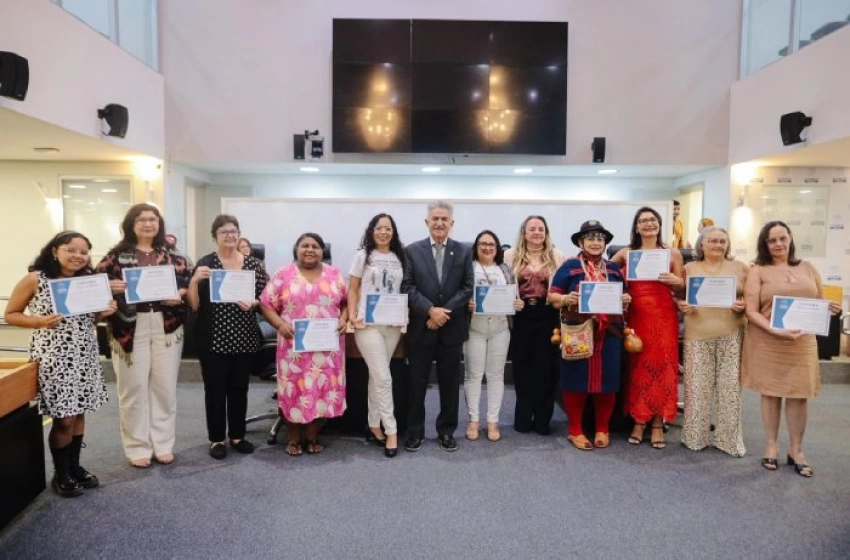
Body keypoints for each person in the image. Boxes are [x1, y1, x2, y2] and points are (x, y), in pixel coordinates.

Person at [4, 232, 116, 497]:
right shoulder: (36, 279)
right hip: (54, 357)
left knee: (79, 413)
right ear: (55, 250)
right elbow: (10, 314)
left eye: (84, 252)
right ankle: (60, 473)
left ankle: (74, 466)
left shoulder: (86, 282)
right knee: (64, 418)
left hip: (84, 354)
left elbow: (88, 318)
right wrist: (39, 322)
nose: (78, 256)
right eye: (71, 250)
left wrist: (104, 311)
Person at [741, 221, 842, 476]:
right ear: (765, 244)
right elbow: (750, 310)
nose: (778, 244)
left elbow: (819, 302)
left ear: (790, 239)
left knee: (799, 394)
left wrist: (831, 307)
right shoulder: (757, 270)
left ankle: (796, 449)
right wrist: (775, 329)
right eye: (772, 240)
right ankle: (772, 446)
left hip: (801, 342)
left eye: (782, 238)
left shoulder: (807, 267)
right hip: (769, 340)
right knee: (771, 393)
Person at [96, 203, 191, 468]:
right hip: (129, 326)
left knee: (164, 388)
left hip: (166, 324)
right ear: (131, 224)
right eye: (142, 220)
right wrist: (108, 286)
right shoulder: (116, 255)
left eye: (153, 219)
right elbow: (93, 285)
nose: (148, 224)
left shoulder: (173, 254)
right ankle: (137, 446)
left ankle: (162, 444)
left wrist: (180, 295)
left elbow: (187, 282)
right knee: (133, 388)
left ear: (159, 224)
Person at [187, 215, 269, 460]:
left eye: (233, 231)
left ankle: (237, 435)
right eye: (224, 232)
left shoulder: (253, 265)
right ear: (215, 236)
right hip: (213, 339)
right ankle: (216, 439)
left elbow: (266, 299)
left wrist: (254, 302)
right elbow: (193, 305)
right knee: (215, 391)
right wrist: (194, 281)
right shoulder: (206, 264)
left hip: (243, 338)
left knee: (239, 389)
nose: (230, 236)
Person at [260, 232, 347, 456]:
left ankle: (312, 436)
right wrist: (279, 324)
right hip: (292, 346)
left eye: (315, 246)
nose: (310, 249)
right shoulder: (283, 274)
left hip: (326, 347)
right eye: (305, 245)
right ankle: (294, 438)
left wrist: (345, 318)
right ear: (296, 249)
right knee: (294, 390)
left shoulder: (334, 274)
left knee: (320, 389)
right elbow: (265, 303)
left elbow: (347, 302)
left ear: (322, 251)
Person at [548, 220, 629, 450]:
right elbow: (553, 297)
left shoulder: (613, 269)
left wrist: (626, 299)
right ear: (581, 242)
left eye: (600, 239)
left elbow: (624, 296)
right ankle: (575, 431)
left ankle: (602, 429)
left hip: (609, 333)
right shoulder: (569, 267)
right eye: (591, 238)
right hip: (578, 331)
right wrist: (566, 299)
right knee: (575, 381)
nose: (596, 243)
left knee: (608, 382)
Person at [401, 200, 474, 452]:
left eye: (445, 219)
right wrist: (430, 310)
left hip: (452, 329)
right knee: (417, 383)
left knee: (450, 384)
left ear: (451, 223)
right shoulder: (411, 251)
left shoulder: (464, 251)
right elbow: (407, 286)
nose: (440, 223)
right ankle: (415, 432)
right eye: (435, 219)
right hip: (421, 327)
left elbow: (467, 288)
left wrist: (444, 312)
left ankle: (446, 431)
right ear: (427, 222)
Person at [612, 207, 684, 449]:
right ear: (636, 226)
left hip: (664, 317)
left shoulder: (672, 253)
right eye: (643, 221)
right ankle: (638, 420)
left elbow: (683, 290)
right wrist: (620, 293)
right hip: (637, 315)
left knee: (662, 366)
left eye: (652, 220)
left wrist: (678, 282)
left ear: (660, 224)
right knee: (639, 366)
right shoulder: (626, 253)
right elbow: (606, 275)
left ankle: (656, 422)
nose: (648, 224)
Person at [676, 226, 748, 457]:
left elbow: (752, 296)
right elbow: (678, 296)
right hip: (697, 334)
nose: (718, 245)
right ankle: (695, 438)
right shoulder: (689, 268)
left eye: (722, 241)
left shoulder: (740, 268)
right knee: (696, 389)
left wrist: (744, 303)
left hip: (731, 334)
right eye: (713, 241)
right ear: (702, 245)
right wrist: (681, 305)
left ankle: (728, 440)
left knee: (729, 390)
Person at [347, 213, 407, 458]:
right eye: (379, 228)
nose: (384, 232)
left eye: (388, 228)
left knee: (376, 375)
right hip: (368, 325)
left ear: (393, 232)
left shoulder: (400, 256)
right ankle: (391, 430)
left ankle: (374, 423)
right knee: (384, 378)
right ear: (372, 231)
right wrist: (352, 315)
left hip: (392, 324)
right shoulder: (363, 256)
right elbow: (352, 289)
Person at [504, 215, 566, 435]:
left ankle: (542, 420)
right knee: (522, 369)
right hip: (521, 316)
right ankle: (522, 418)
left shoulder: (557, 256)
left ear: (546, 232)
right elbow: (501, 287)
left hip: (548, 315)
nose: (537, 232)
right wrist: (511, 302)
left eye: (541, 229)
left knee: (545, 369)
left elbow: (564, 286)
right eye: (532, 229)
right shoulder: (510, 255)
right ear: (524, 233)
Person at [463, 230, 522, 443]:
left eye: (491, 244)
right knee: (474, 375)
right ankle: (474, 420)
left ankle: (492, 421)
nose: (487, 248)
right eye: (482, 244)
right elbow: (460, 294)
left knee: (496, 375)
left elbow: (515, 298)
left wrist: (518, 303)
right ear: (476, 247)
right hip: (474, 329)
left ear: (497, 248)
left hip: (500, 329)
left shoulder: (505, 269)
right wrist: (466, 305)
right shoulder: (468, 269)